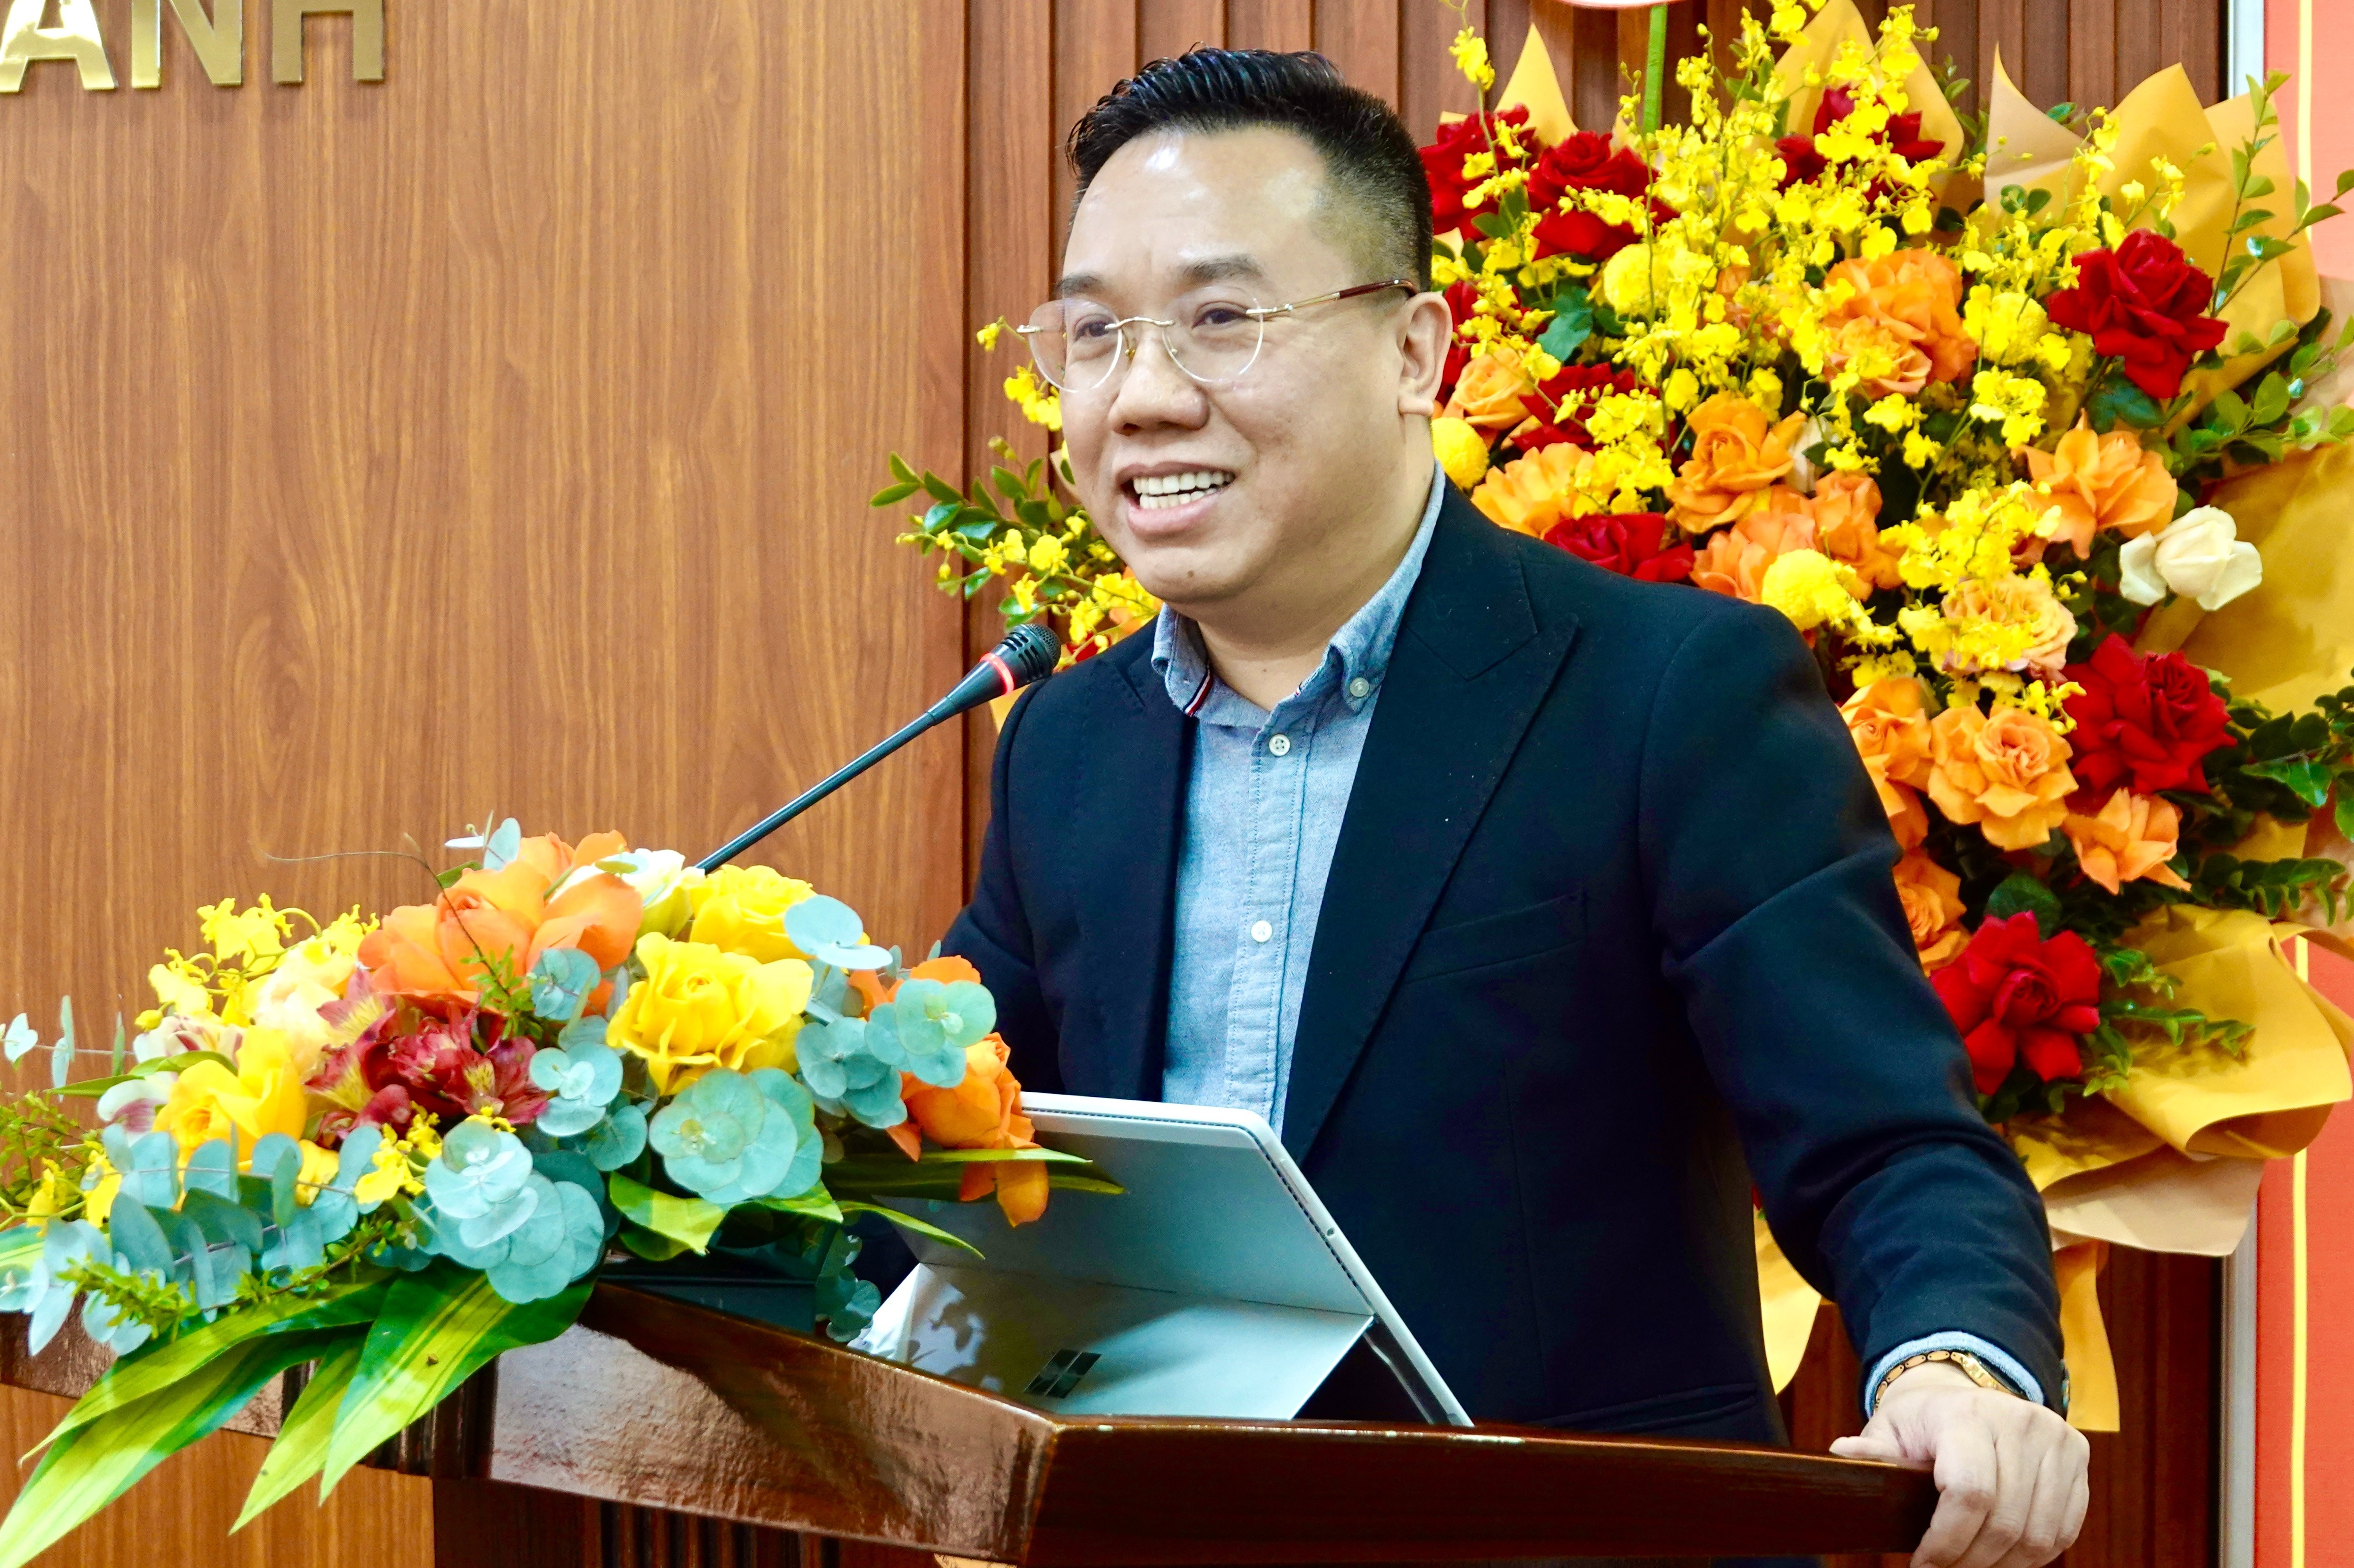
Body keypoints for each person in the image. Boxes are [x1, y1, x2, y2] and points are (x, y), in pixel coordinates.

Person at [942, 47, 2088, 1568]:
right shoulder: (1066, 743)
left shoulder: (1665, 694)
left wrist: (1953, 1361)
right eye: (1093, 335)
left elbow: (1882, 1140)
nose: (1142, 397)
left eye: (1220, 320)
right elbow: (943, 1134)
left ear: (1413, 350)